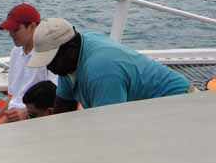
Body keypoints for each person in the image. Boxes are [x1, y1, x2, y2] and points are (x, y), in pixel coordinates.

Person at [28, 18, 193, 112]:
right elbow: (64, 110)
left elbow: (110, 131)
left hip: (179, 104)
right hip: (145, 109)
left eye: (51, 60)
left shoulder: (102, 70)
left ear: (70, 48)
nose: (49, 67)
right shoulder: (67, 63)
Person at [0, 4, 57, 122]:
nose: (11, 34)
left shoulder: (49, 55)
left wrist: (25, 112)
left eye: (16, 29)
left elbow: (56, 95)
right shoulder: (16, 51)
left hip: (34, 115)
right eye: (10, 30)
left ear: (32, 26)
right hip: (13, 112)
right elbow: (12, 95)